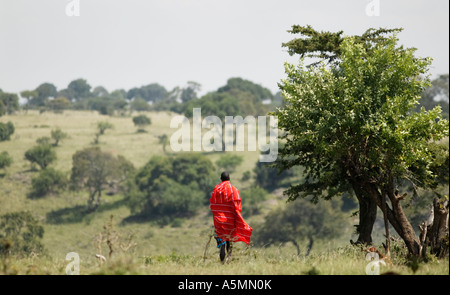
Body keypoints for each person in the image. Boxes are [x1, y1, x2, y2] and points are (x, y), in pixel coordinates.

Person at [209, 171, 252, 263]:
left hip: (218, 219)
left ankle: (222, 257)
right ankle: (228, 259)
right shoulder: (233, 190)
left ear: (221, 179)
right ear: (229, 179)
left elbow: (212, 204)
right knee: (230, 239)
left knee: (222, 239)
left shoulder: (216, 189)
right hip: (229, 219)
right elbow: (237, 206)